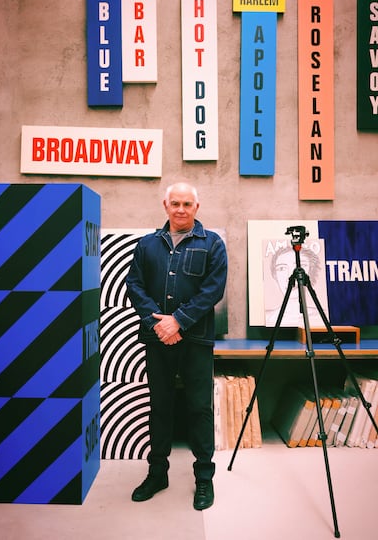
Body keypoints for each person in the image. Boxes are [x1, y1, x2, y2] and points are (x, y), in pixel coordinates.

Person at [126, 182, 227, 510]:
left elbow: (213, 290)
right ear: (165, 205)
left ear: (197, 207)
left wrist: (178, 321)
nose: (181, 209)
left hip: (196, 340)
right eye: (175, 203)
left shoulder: (213, 244)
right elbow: (134, 285)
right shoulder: (147, 245)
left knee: (199, 408)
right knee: (161, 405)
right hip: (158, 339)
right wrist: (158, 323)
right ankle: (157, 473)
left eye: (187, 203)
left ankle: (204, 479)